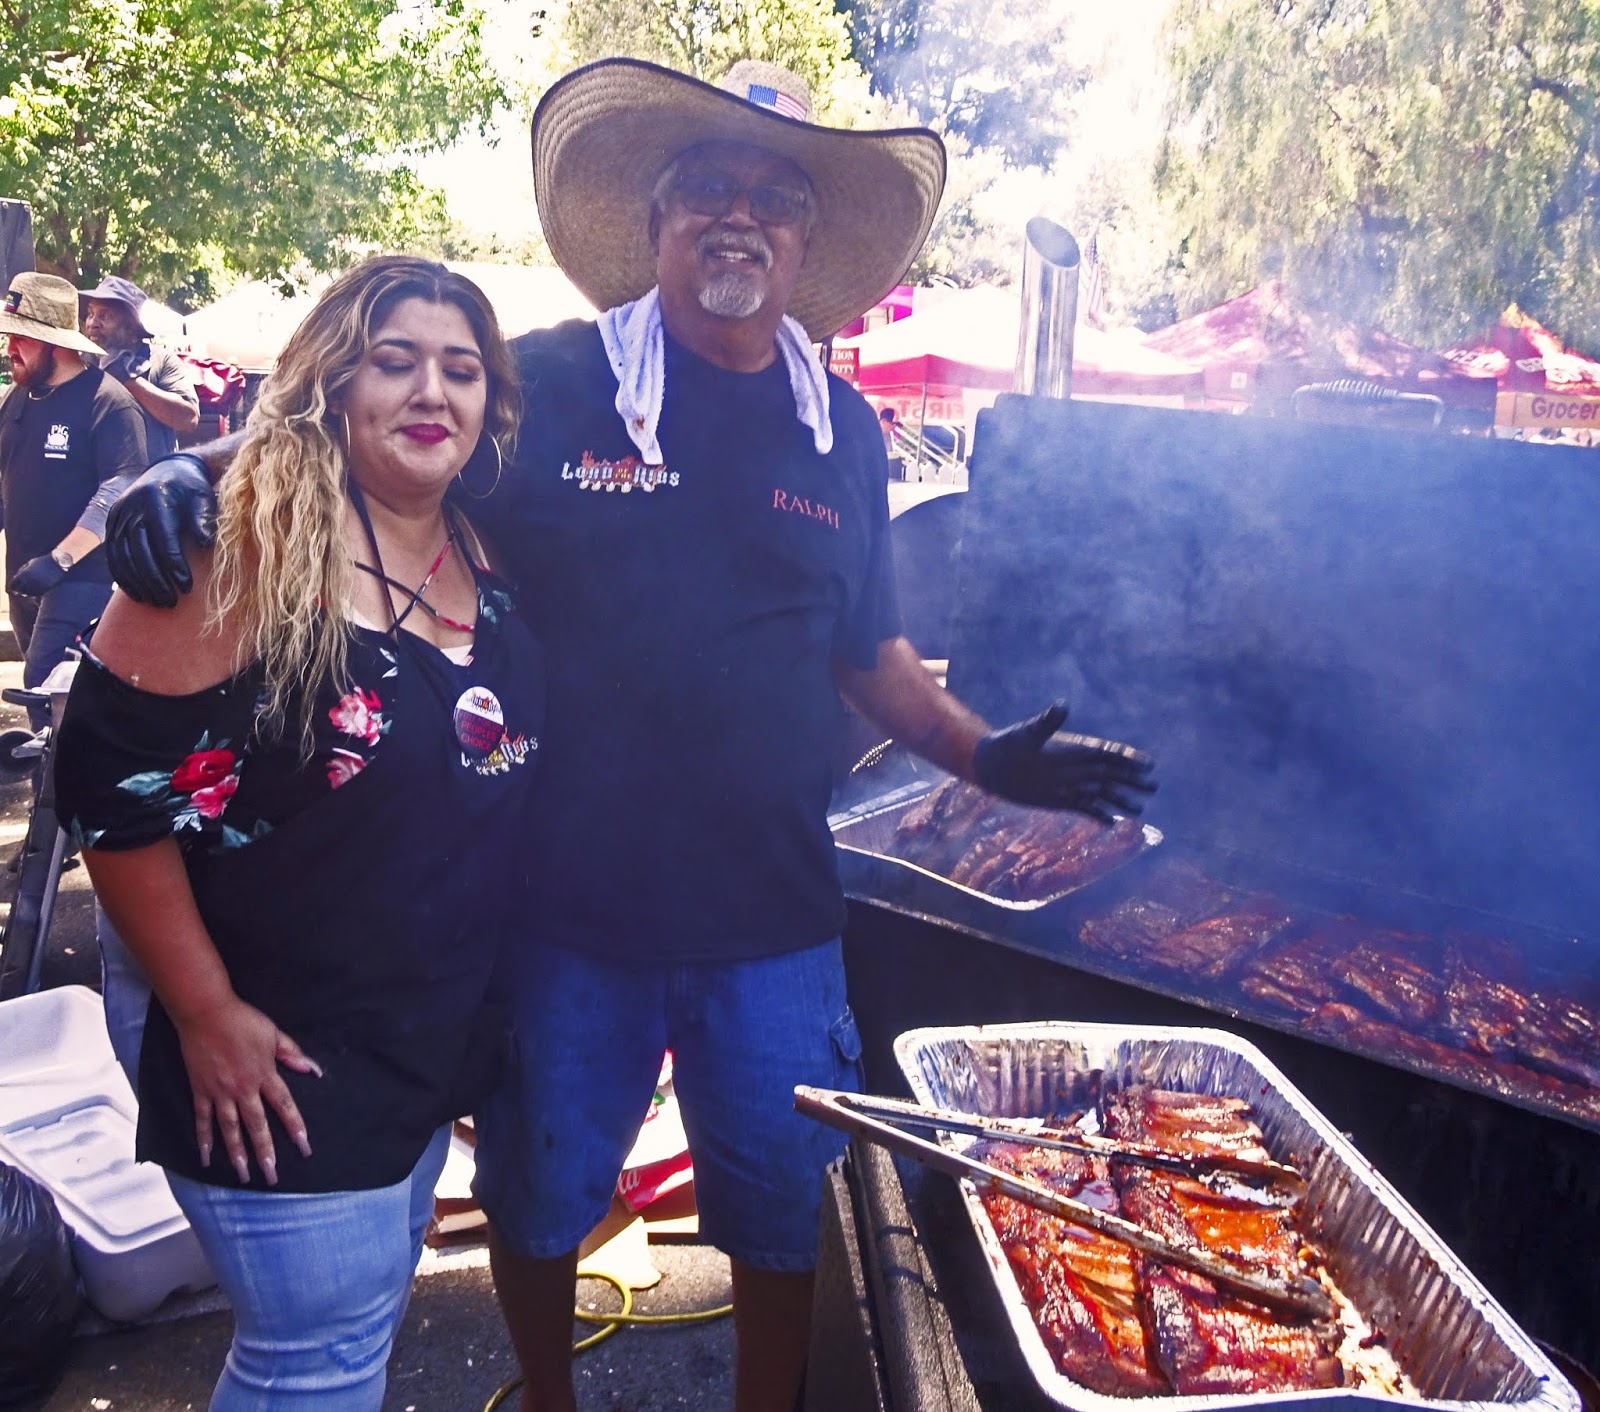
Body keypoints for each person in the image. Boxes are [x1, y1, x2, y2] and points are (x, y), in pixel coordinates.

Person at [102, 58, 1155, 1412]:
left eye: (773, 197)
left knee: (784, 1216)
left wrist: (987, 755)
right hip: (560, 915)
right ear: (656, 220)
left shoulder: (843, 433)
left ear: (806, 239)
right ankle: (551, 1398)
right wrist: (196, 471)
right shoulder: (549, 382)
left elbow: (873, 659)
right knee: (540, 1207)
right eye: (706, 186)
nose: (739, 217)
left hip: (774, 919)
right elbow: (374, 446)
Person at [53, 255, 540, 1411]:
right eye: (396, 360)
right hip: (274, 1046)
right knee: (310, 1363)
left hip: (419, 1041)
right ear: (332, 379)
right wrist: (205, 1012)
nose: (433, 390)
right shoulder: (235, 546)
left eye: (461, 369)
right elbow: (113, 800)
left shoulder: (485, 542)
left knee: (349, 1335)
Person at [0, 272, 147, 732]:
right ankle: (56, 785)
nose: (10, 350)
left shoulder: (107, 402)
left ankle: (59, 799)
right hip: (25, 575)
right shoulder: (15, 400)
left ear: (56, 344)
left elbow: (120, 485)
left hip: (83, 575)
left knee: (45, 683)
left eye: (22, 339)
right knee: (49, 701)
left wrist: (60, 560)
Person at [80, 275, 200, 461]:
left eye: (104, 316)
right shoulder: (81, 362)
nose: (92, 323)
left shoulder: (162, 361)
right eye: (90, 314)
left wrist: (127, 379)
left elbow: (188, 419)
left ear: (131, 328)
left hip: (150, 481)